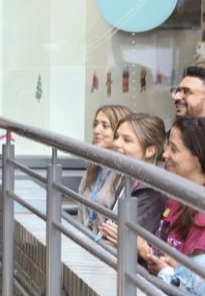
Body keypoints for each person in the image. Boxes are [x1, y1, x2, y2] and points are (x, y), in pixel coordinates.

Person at [142, 117, 205, 269]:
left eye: (174, 149)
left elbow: (196, 280)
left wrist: (169, 269)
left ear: (198, 157)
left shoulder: (201, 211)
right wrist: (145, 251)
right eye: (167, 147)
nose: (165, 154)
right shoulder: (175, 199)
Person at [97, 113, 168, 245]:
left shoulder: (153, 192)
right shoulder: (128, 177)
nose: (116, 143)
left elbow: (127, 239)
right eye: (117, 137)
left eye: (127, 140)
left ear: (150, 151)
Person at [75, 105, 131, 231]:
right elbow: (80, 210)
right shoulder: (93, 167)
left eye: (105, 126)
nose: (96, 130)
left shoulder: (124, 176)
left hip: (104, 246)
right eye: (95, 124)